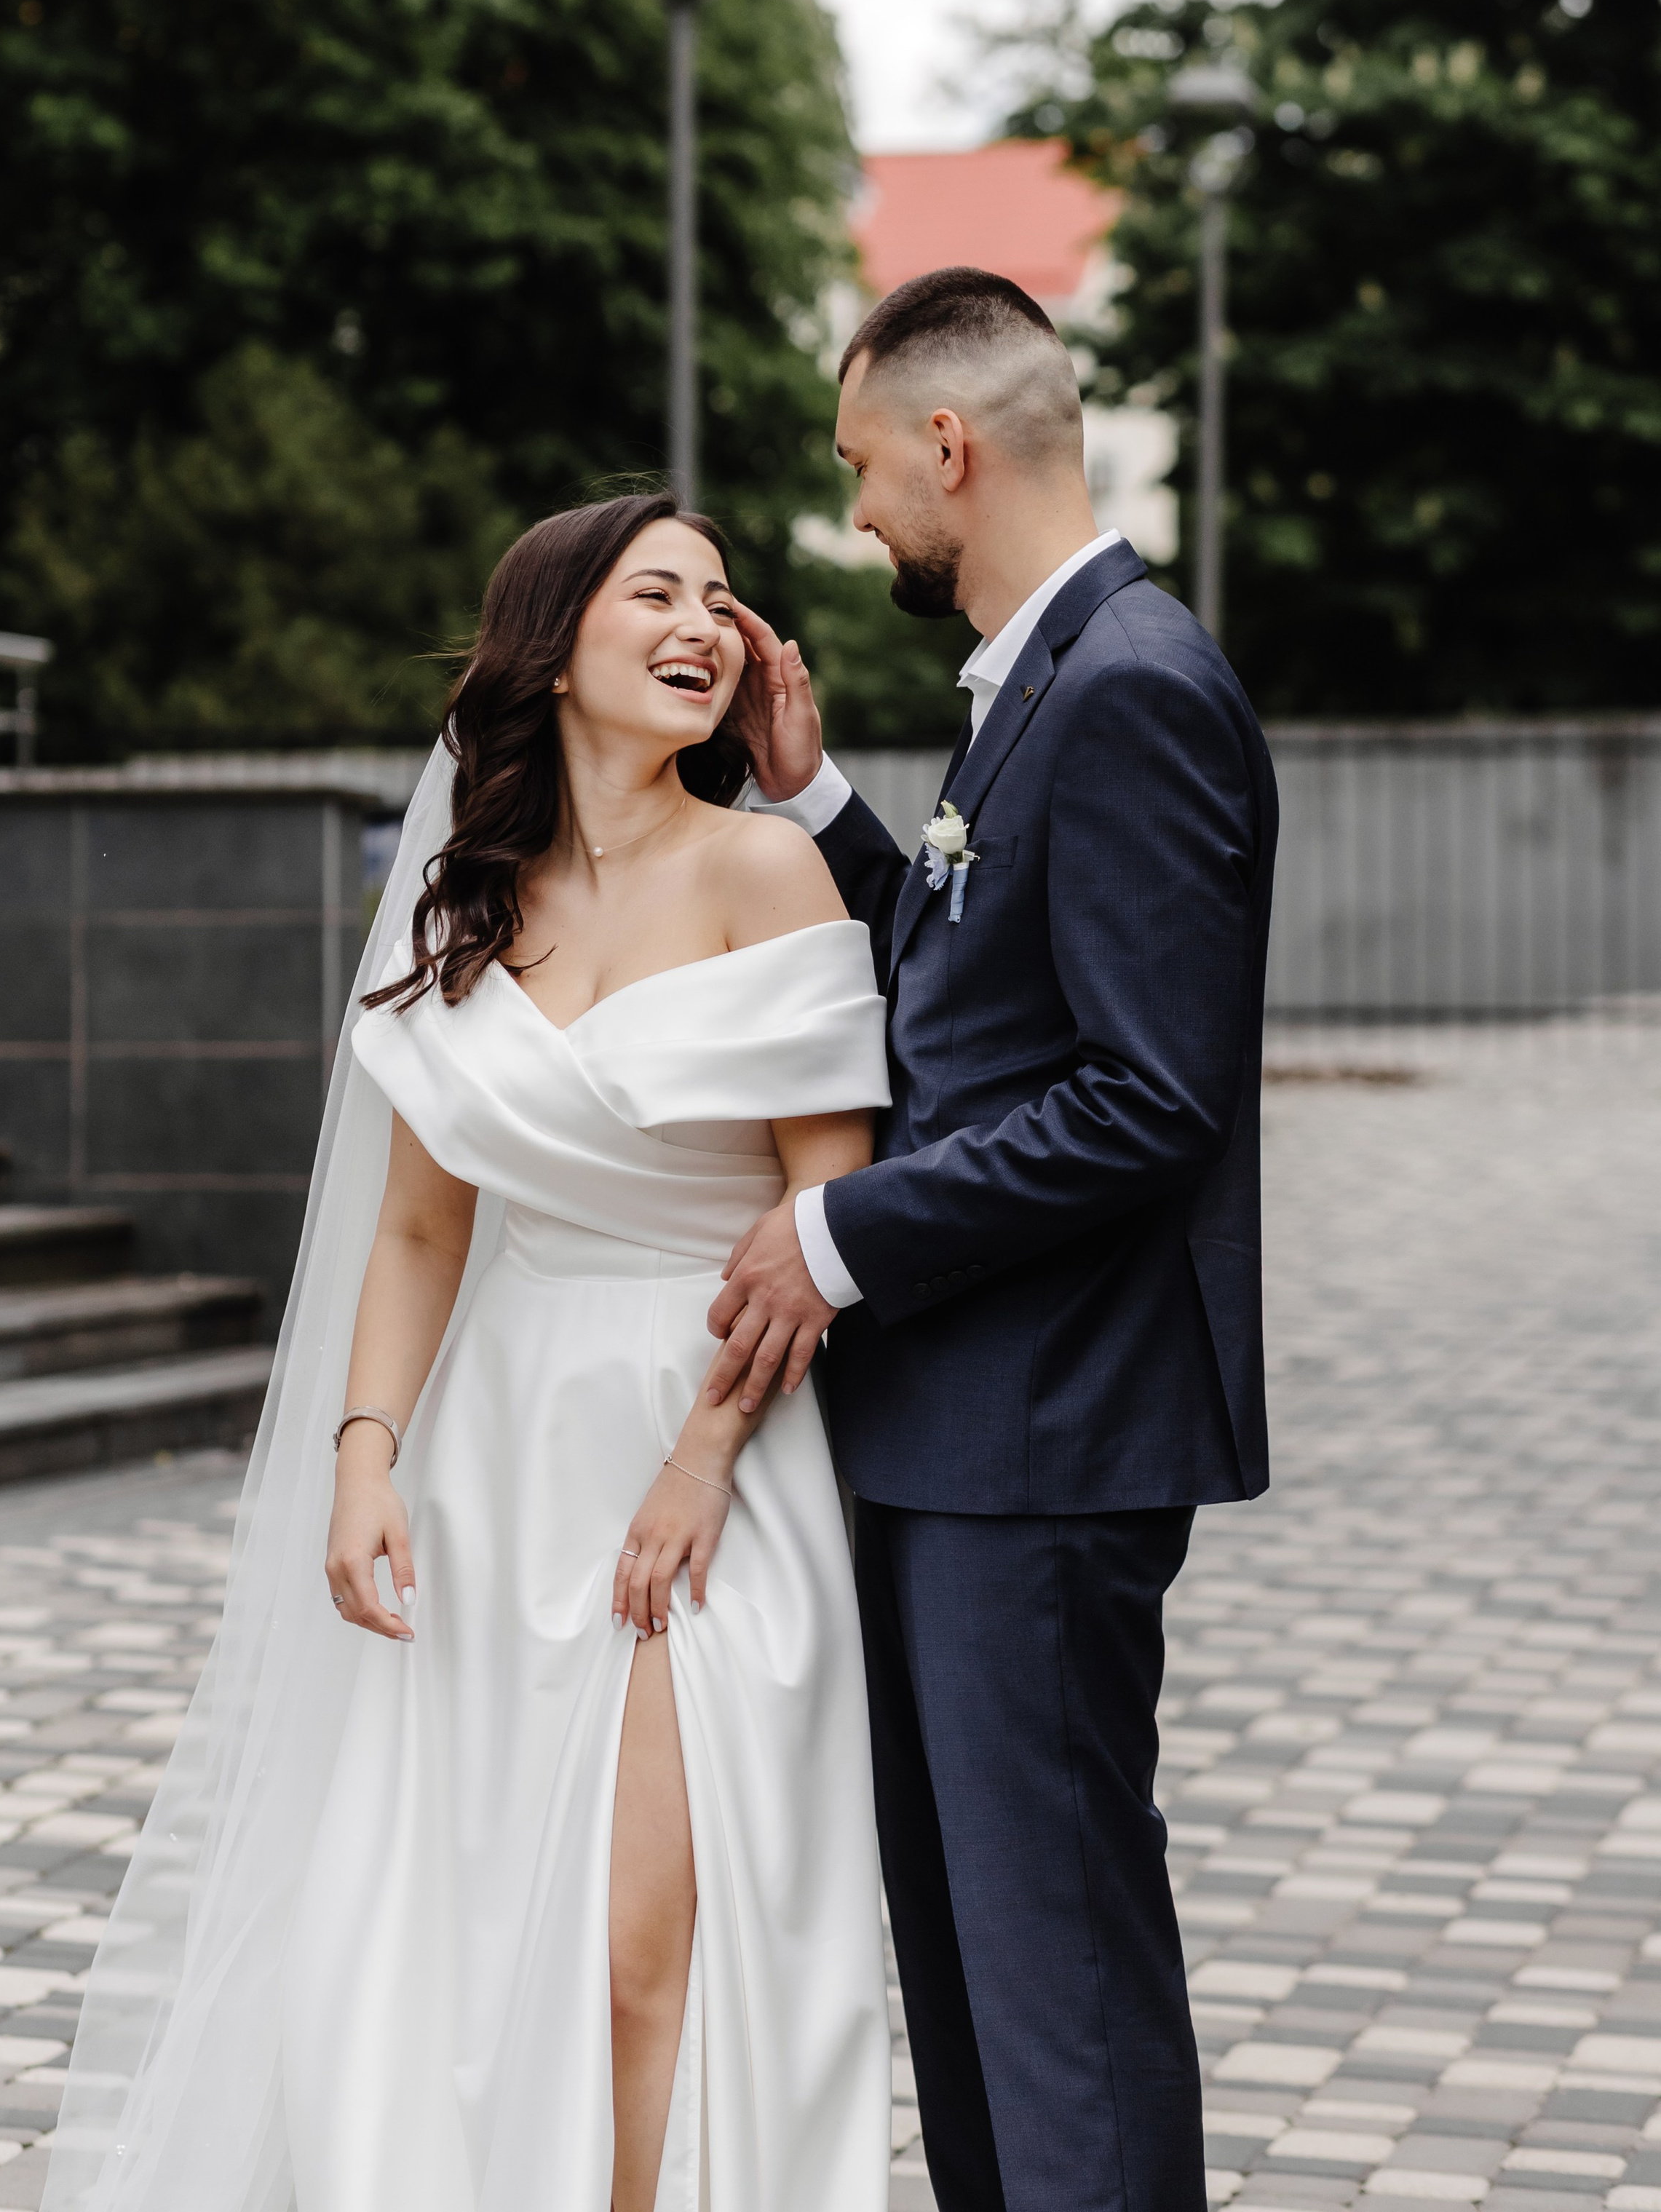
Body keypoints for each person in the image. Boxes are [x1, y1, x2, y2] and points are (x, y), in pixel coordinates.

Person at [46, 493, 892, 2212]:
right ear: (552, 645)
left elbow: (826, 1219)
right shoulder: (471, 908)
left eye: (719, 599)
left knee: (645, 1939)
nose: (700, 624)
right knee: (479, 1927)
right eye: (654, 591)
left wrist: (700, 1458)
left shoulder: (764, 870)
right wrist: (365, 1455)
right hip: (502, 1451)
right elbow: (423, 1231)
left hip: (718, 1439)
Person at [718, 266, 1279, 2212]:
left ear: (946, 444)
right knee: (973, 1962)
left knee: (1057, 1977)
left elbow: (1147, 1095)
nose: (857, 509)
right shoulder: (1048, 679)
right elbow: (975, 1002)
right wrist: (816, 800)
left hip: (1045, 1439)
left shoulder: (1132, 688)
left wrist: (841, 1233)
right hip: (968, 1433)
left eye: (861, 464)